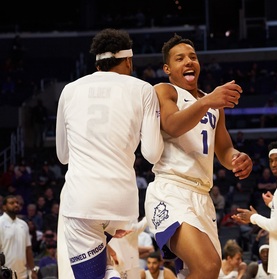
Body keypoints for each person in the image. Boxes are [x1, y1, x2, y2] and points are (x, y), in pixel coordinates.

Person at [55, 28, 163, 279]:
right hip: (123, 206)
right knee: (108, 269)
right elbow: (152, 153)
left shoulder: (69, 90)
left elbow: (63, 156)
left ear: (97, 62)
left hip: (82, 201)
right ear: (128, 60)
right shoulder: (143, 89)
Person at [144, 34, 253, 279]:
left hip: (202, 197)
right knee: (208, 266)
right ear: (167, 68)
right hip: (171, 189)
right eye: (180, 58)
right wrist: (208, 101)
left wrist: (238, 157)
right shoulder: (164, 90)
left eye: (193, 57)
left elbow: (223, 149)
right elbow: (171, 124)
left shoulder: (213, 103)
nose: (189, 62)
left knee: (203, 273)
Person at [232, 141, 277, 279]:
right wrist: (273, 204)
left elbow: (276, 226)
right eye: (271, 160)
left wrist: (253, 217)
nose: (273, 164)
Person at [0, 195, 38, 279]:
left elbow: (28, 249)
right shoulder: (0, 223)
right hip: (4, 273)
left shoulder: (23, 224)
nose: (16, 205)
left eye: (17, 203)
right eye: (12, 203)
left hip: (22, 273)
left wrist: (32, 269)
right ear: (4, 207)